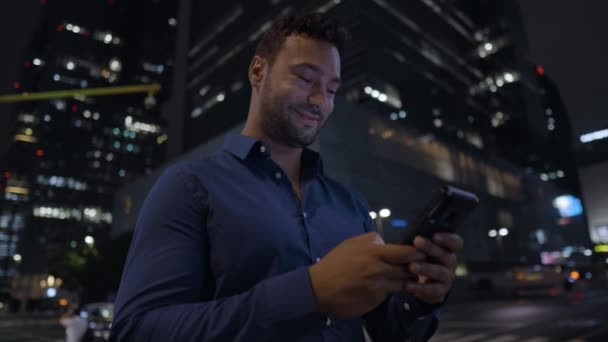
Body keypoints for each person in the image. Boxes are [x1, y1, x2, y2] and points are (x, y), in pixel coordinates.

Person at [110, 12, 463, 342]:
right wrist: (310, 293)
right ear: (258, 72)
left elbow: (386, 329)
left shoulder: (349, 203)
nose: (319, 100)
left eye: (332, 89)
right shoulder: (188, 185)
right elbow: (136, 330)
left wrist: (417, 300)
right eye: (305, 78)